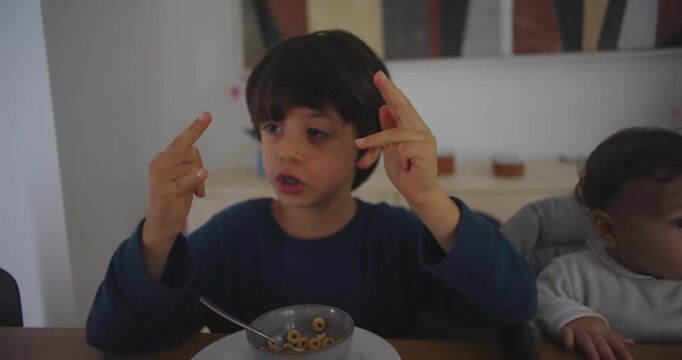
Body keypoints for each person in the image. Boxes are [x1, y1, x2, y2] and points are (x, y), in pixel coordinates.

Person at [85, 30, 535, 354]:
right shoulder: (232, 237)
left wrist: (428, 198)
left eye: (316, 132)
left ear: (365, 149)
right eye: (274, 127)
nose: (288, 152)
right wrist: (160, 233)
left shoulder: (394, 237)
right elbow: (113, 336)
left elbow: (514, 304)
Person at [535, 127, 682, 360]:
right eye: (680, 223)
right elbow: (536, 301)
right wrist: (574, 318)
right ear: (608, 229)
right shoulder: (573, 274)